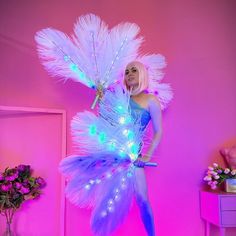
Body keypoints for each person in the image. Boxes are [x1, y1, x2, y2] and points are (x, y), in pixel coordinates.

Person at [124, 61, 162, 236]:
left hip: (134, 157)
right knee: (106, 201)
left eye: (134, 70)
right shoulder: (120, 98)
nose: (129, 74)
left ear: (142, 74)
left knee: (142, 200)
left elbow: (158, 132)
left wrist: (147, 156)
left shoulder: (150, 100)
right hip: (113, 156)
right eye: (126, 72)